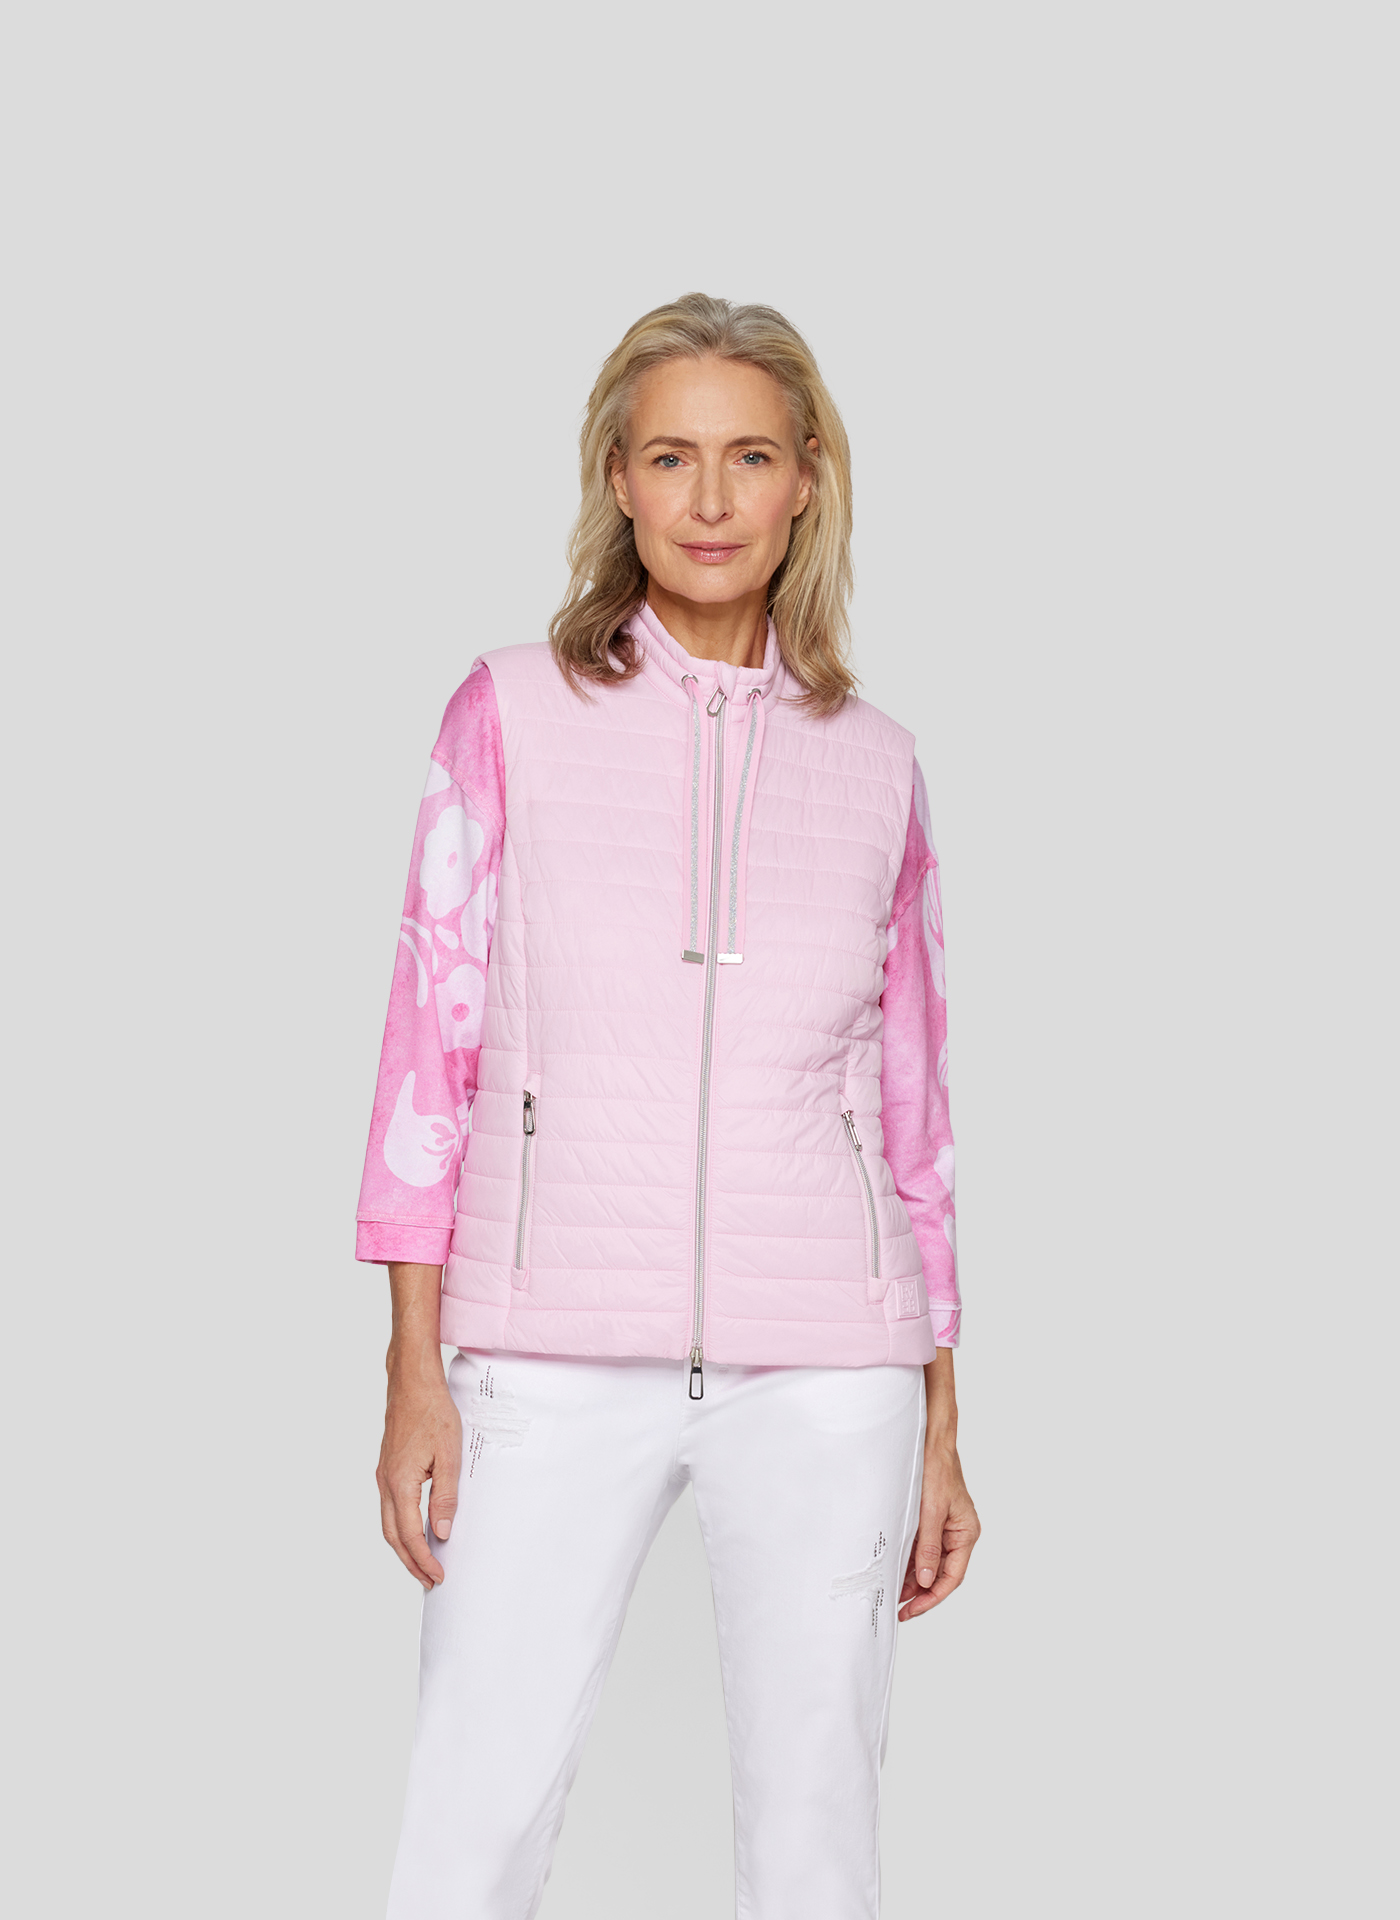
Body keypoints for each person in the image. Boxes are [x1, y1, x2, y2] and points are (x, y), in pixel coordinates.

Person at [357, 292, 981, 1919]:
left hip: (830, 1363)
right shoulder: (507, 712)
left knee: (818, 1843)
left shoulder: (881, 764)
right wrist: (414, 1367)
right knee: (472, 1824)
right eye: (672, 457)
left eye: (751, 457)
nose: (711, 500)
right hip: (545, 1348)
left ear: (807, 480)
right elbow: (429, 1049)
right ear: (618, 481)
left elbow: (914, 1113)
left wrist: (941, 1421)